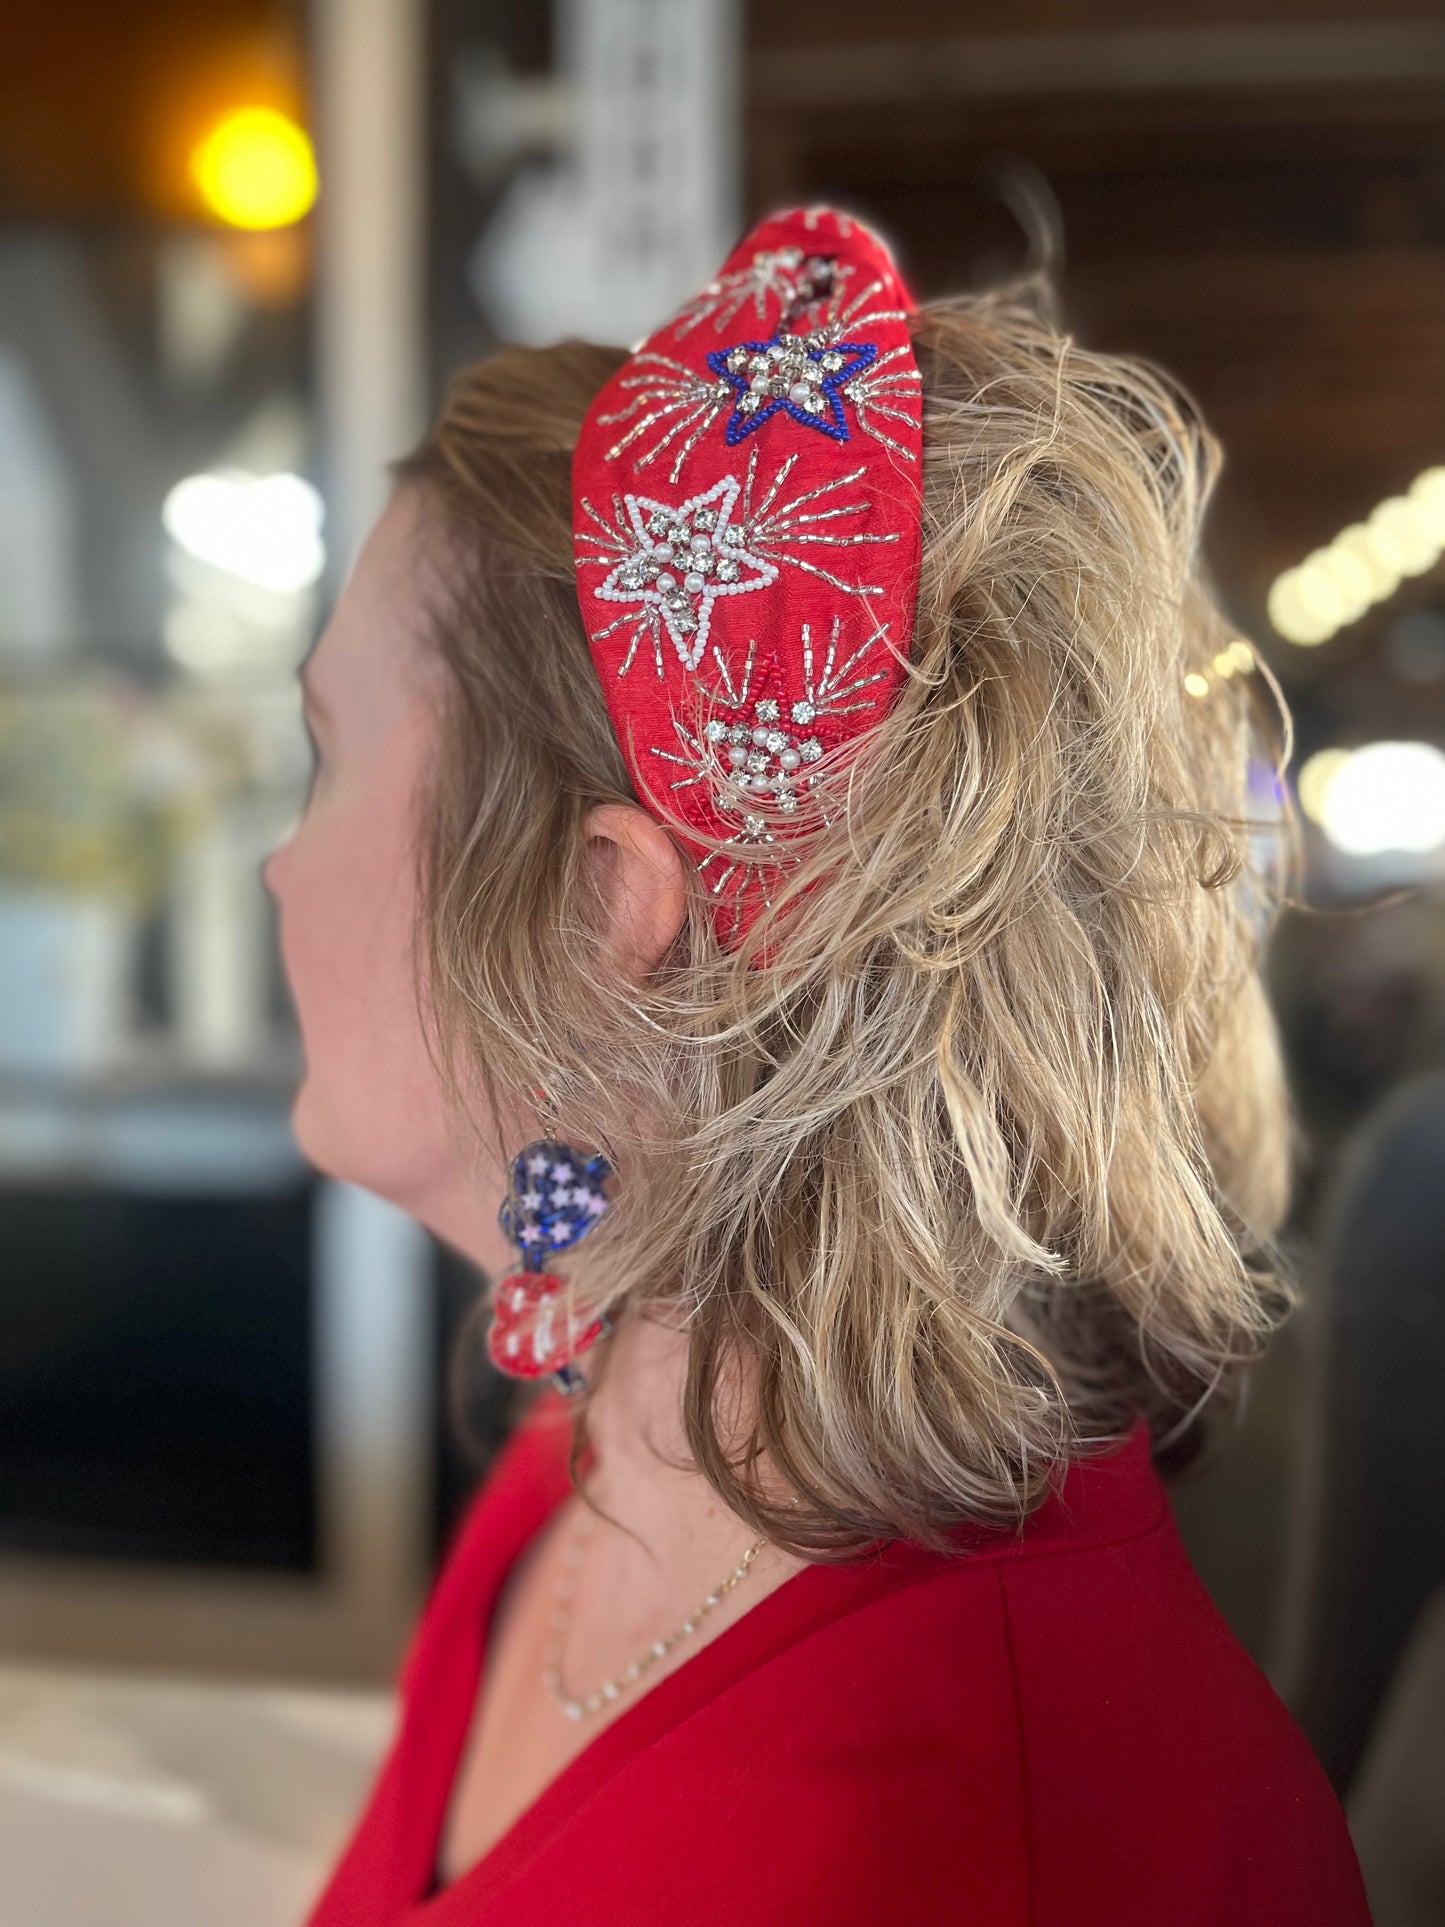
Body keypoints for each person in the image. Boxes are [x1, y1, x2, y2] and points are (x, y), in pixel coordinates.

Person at [266, 205, 1373, 1923]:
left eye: (324, 755)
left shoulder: (960, 1846)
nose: (279, 864)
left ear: (594, 902)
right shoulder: (615, 1457)